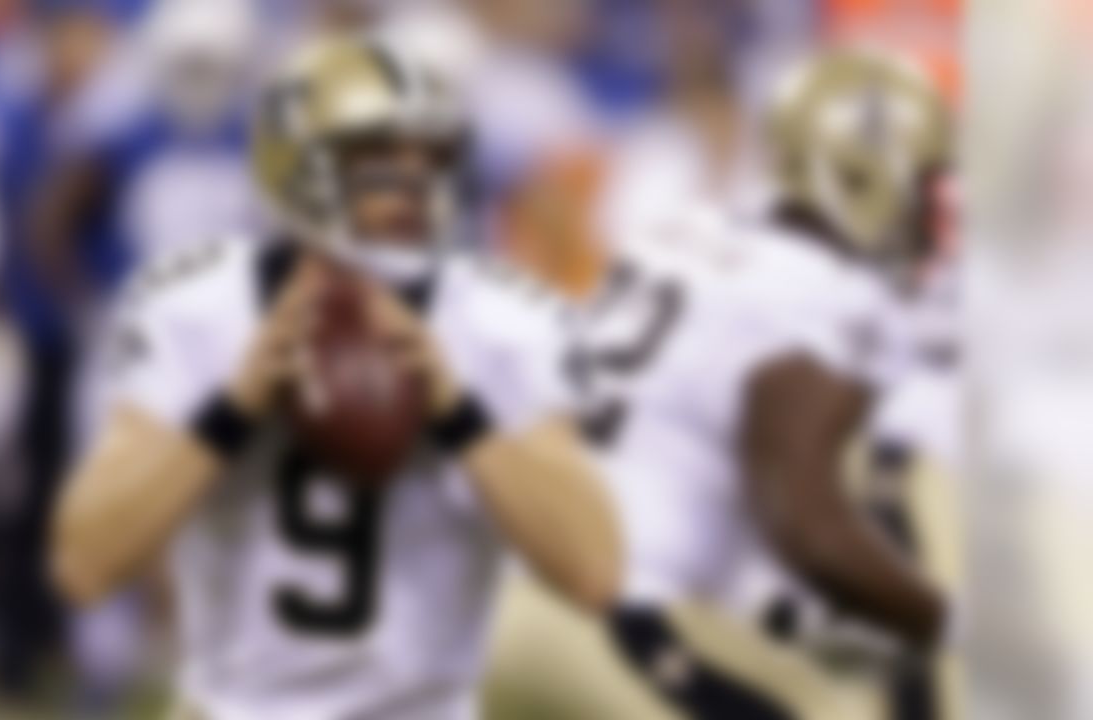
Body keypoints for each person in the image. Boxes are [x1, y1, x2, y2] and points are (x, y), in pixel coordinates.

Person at [50, 37, 621, 720]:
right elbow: (84, 564)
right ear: (295, 162)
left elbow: (596, 572)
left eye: (431, 157)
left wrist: (459, 412)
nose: (412, 182)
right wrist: (230, 411)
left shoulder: (501, 322)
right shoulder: (196, 309)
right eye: (378, 157)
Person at [577, 49, 956, 719]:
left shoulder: (690, 225)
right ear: (861, 179)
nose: (935, 204)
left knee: (860, 666)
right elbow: (808, 529)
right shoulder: (815, 298)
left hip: (532, 558)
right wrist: (950, 624)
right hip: (624, 612)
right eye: (923, 179)